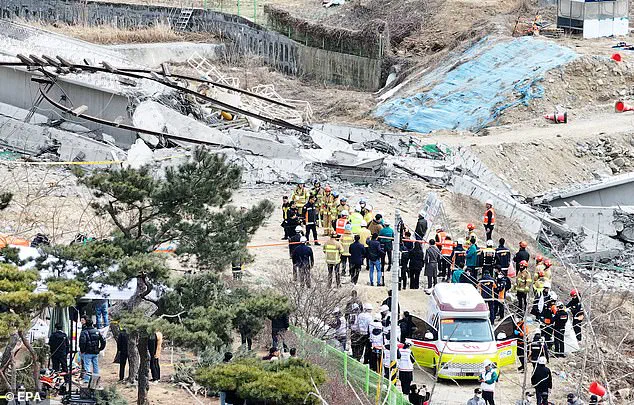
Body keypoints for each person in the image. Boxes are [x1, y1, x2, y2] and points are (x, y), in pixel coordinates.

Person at [79, 319, 106, 384]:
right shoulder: (97, 331)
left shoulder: (84, 332)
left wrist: (82, 350)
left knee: (87, 366)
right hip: (95, 352)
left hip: (87, 352)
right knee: (95, 365)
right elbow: (103, 340)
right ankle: (96, 379)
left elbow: (82, 342)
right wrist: (100, 349)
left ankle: (87, 380)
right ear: (92, 324)